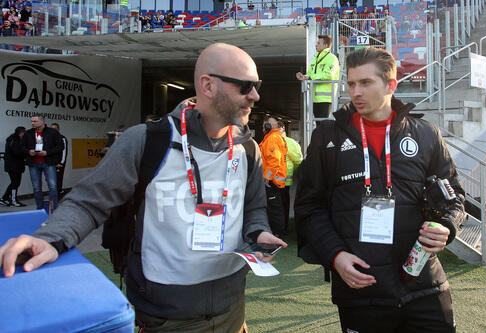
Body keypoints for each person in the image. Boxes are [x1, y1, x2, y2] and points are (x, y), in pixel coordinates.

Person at [0, 43, 286, 333]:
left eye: (257, 85)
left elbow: (253, 207)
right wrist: (50, 238)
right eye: (246, 86)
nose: (255, 95)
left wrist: (257, 231)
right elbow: (88, 201)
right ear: (208, 85)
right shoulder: (146, 141)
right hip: (166, 319)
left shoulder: (248, 148)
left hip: (233, 309)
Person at [295, 47, 466, 332]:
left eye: (365, 82)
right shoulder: (327, 138)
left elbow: (455, 197)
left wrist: (447, 226)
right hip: (362, 292)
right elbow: (309, 207)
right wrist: (335, 255)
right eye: (351, 83)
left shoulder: (425, 134)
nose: (356, 92)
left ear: (391, 84)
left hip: (424, 286)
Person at [21, 115, 63, 211]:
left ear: (42, 121)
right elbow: (22, 147)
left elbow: (60, 146)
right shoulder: (28, 133)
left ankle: (53, 209)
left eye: (35, 121)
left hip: (48, 162)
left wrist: (47, 152)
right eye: (31, 121)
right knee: (36, 187)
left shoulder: (52, 132)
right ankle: (39, 209)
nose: (32, 123)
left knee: (52, 186)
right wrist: (28, 151)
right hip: (33, 163)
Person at [296, 34, 340, 125]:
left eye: (319, 43)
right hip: (314, 98)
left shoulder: (332, 58)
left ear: (325, 45)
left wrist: (310, 77)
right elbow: (310, 74)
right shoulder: (315, 59)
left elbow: (329, 75)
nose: (316, 45)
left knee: (324, 125)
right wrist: (303, 77)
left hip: (326, 98)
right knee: (318, 125)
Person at [259, 116, 288, 238]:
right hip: (276, 181)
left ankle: (277, 235)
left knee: (274, 209)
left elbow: (274, 161)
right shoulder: (274, 138)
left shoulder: (272, 139)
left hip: (272, 182)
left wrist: (267, 178)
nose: (263, 127)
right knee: (276, 208)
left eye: (266, 124)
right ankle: (278, 233)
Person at [278, 121, 302, 234]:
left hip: (275, 182)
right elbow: (298, 160)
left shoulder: (288, 142)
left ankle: (280, 229)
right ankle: (282, 229)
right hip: (281, 181)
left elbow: (298, 160)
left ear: (282, 128)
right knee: (283, 205)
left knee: (277, 206)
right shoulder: (289, 142)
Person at [0, 126, 26, 207]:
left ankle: (4, 198)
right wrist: (26, 153)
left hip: (12, 165)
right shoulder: (15, 141)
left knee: (14, 183)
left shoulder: (12, 139)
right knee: (15, 183)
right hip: (14, 165)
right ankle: (13, 201)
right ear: (21, 133)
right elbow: (17, 152)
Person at [50, 123, 67, 200]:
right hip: (51, 163)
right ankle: (53, 196)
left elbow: (64, 151)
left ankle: (58, 196)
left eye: (55, 129)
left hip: (58, 163)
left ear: (58, 129)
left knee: (58, 180)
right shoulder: (49, 139)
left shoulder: (62, 138)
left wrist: (61, 162)